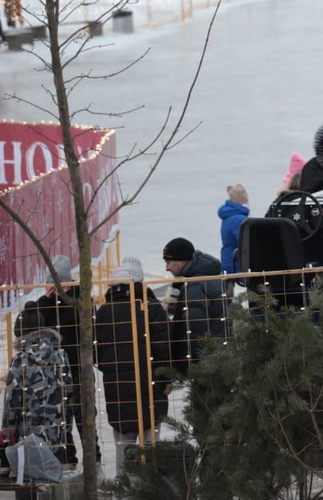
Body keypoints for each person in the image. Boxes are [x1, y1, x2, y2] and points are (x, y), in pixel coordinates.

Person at [95, 261, 174, 461]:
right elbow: (163, 348)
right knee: (150, 446)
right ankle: (149, 485)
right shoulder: (151, 308)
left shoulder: (104, 312)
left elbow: (96, 351)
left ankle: (123, 487)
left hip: (117, 389)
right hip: (151, 386)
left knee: (123, 446)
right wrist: (166, 380)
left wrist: (112, 370)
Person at [33, 255, 96, 466]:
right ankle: (67, 460)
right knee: (60, 420)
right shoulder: (45, 304)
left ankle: (93, 460)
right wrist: (45, 302)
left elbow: (87, 329)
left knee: (85, 419)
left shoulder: (80, 300)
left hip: (79, 370)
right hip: (53, 373)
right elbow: (29, 328)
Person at [1, 303, 72, 467]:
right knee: (53, 483)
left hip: (27, 440)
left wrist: (7, 438)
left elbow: (11, 403)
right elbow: (69, 395)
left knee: (28, 484)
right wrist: (65, 428)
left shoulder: (20, 360)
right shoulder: (61, 355)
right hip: (56, 437)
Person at [162, 237, 228, 371]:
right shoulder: (202, 277)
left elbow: (196, 328)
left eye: (169, 262)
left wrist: (193, 366)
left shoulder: (195, 285)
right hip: (219, 354)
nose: (166, 268)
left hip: (206, 364)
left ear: (181, 261)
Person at [218, 184, 250, 280]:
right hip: (236, 262)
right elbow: (245, 241)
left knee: (228, 292)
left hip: (227, 258)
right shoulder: (239, 219)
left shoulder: (229, 216)